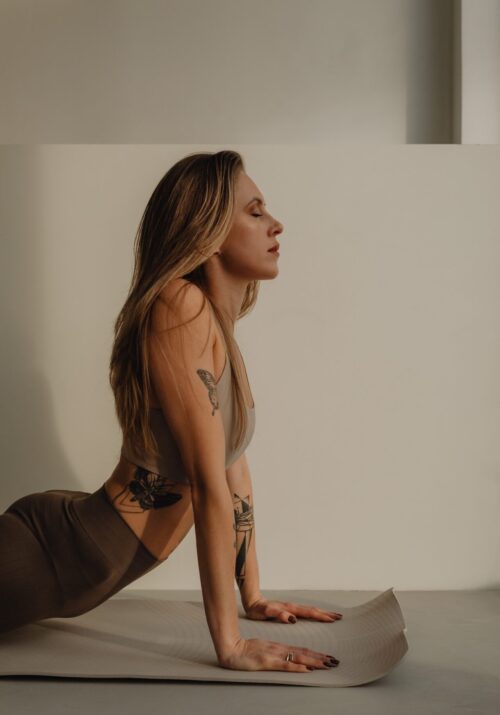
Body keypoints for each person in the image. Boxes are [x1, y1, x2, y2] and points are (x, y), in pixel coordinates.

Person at [0, 150, 341, 673]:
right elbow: (206, 484)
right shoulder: (178, 306)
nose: (276, 224)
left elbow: (234, 473)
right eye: (255, 211)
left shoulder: (219, 332)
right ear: (208, 230)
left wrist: (253, 596)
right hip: (53, 552)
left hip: (85, 561)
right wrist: (230, 645)